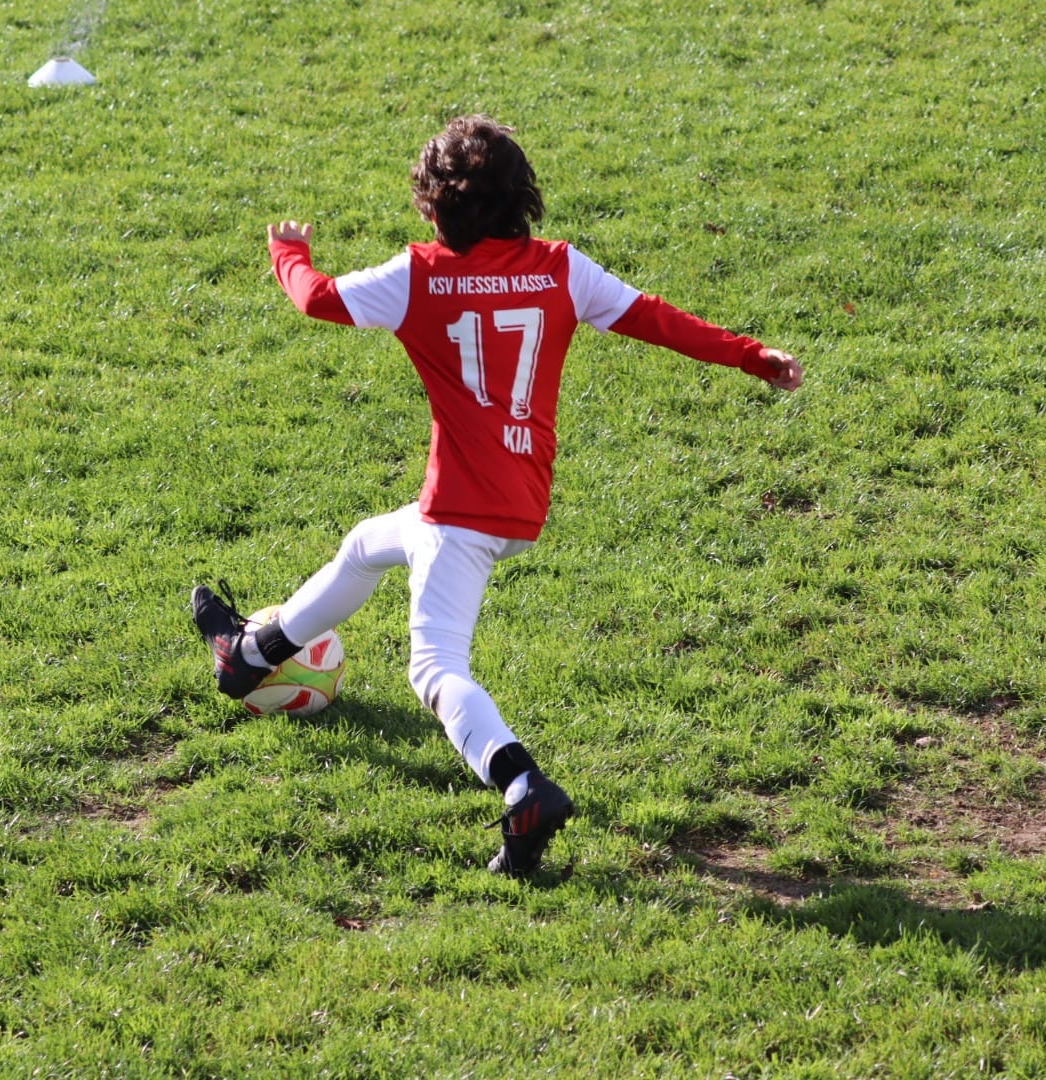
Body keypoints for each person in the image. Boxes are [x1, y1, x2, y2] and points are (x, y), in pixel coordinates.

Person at [192, 115, 803, 877]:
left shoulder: (417, 276)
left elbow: (315, 298)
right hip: (521, 499)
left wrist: (288, 252)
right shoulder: (562, 269)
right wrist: (751, 356)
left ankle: (522, 786)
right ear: (524, 196)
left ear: (432, 205)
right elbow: (655, 318)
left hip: (460, 511)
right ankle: (250, 655)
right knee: (369, 544)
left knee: (435, 668)